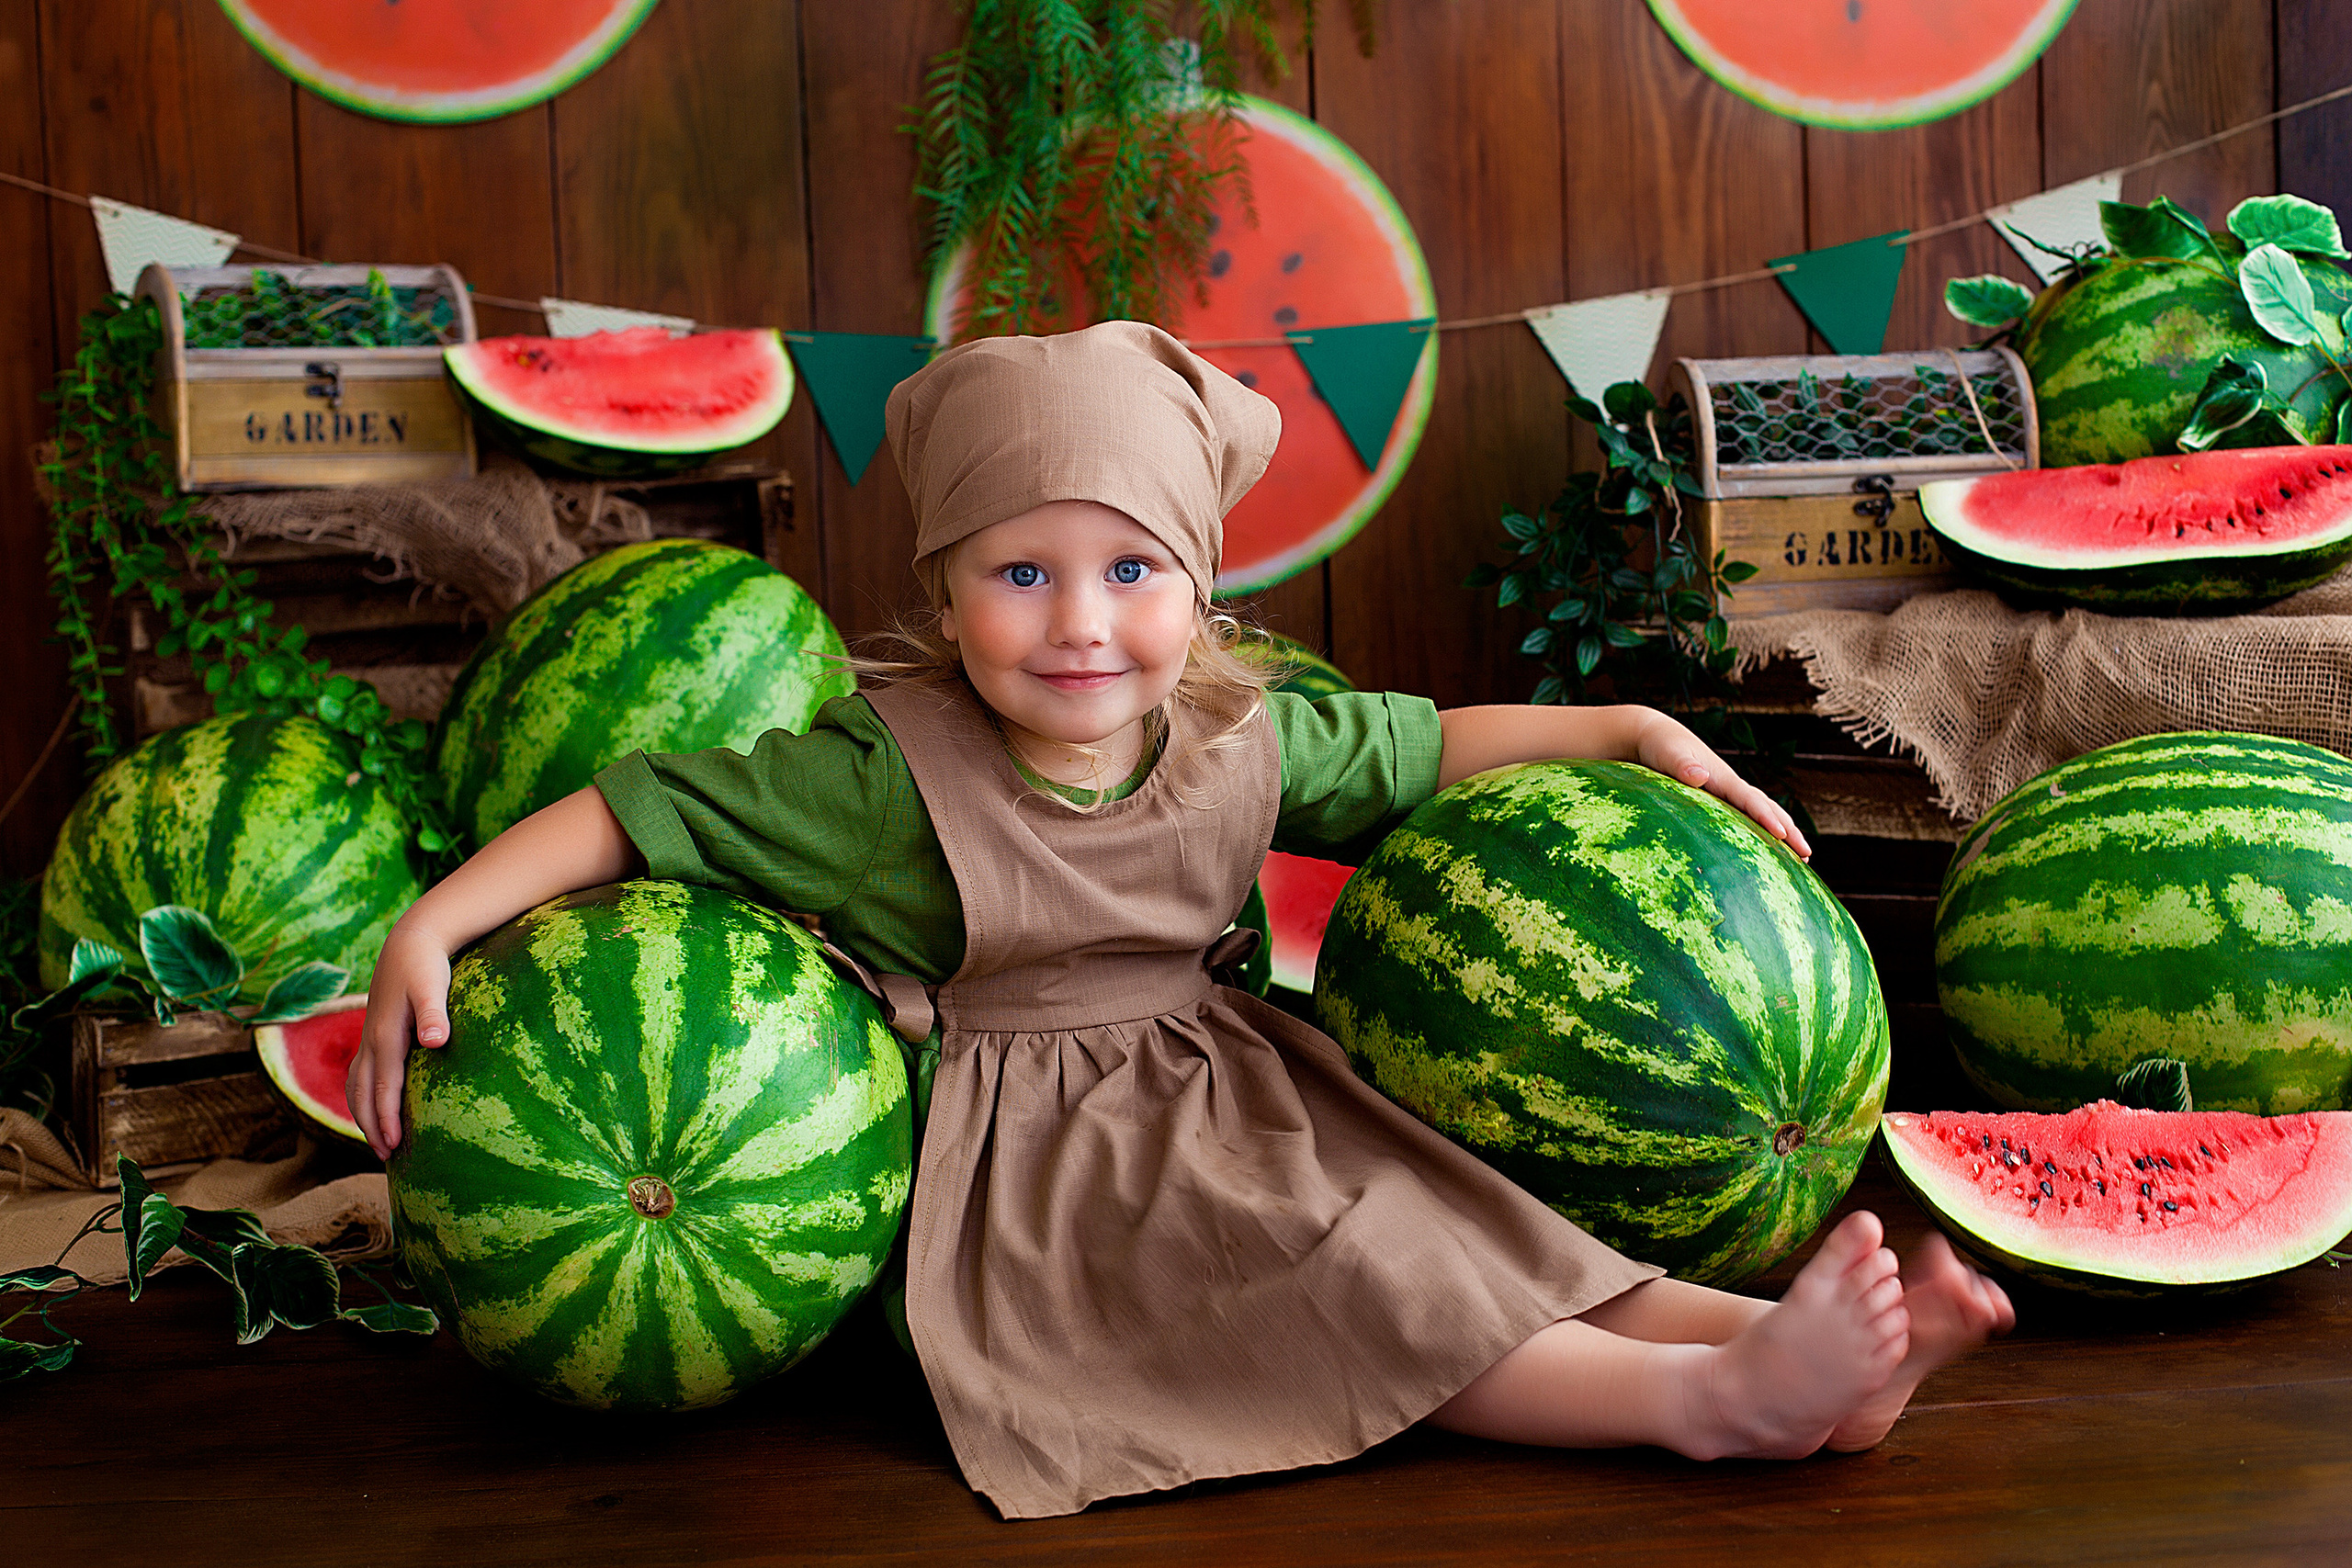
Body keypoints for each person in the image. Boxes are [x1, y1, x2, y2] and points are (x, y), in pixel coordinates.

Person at [349, 321, 2012, 1520]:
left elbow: (1430, 745)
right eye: (1021, 576)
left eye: (1131, 573)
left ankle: (1776, 1352)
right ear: (943, 593)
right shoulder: (878, 776)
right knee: (1360, 1284)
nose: (1081, 625)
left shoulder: (1240, 729)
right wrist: (434, 921)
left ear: (1201, 590)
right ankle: (1707, 1407)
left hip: (1238, 1085)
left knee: (1461, 1227)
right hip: (1040, 1171)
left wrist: (1630, 732)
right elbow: (640, 807)